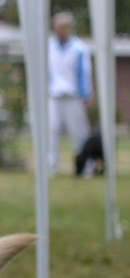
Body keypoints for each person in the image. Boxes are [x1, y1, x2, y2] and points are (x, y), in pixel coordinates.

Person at [48, 11, 92, 175]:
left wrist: (86, 95)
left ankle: (84, 167)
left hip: (74, 96)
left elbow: (84, 73)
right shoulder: (49, 47)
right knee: (51, 131)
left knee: (79, 133)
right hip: (53, 95)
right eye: (57, 27)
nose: (59, 31)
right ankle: (52, 166)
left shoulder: (79, 48)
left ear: (69, 28)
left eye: (62, 28)